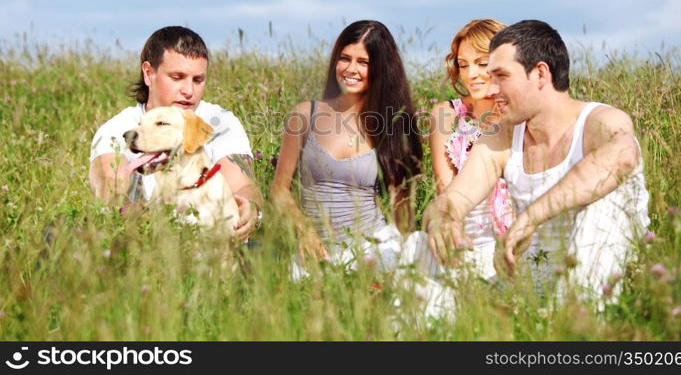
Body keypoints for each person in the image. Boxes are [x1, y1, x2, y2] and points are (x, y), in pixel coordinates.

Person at [424, 20, 649, 303]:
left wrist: (531, 217)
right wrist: (443, 219)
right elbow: (453, 197)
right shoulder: (503, 136)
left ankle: (579, 324)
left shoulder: (598, 121)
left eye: (501, 76)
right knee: (423, 246)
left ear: (540, 73)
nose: (491, 89)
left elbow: (624, 156)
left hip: (597, 272)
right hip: (528, 274)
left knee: (602, 207)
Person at [271, 20, 423, 276]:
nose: (351, 69)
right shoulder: (305, 114)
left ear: (381, 69)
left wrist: (407, 263)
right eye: (345, 58)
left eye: (363, 62)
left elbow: (401, 208)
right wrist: (304, 231)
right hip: (314, 252)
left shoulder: (393, 123)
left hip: (373, 249)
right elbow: (279, 190)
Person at [89, 26, 262, 240]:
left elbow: (243, 185)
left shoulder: (221, 122)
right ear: (148, 73)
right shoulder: (116, 131)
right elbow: (112, 194)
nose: (188, 91)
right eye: (177, 77)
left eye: (198, 80)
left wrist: (250, 208)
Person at [401, 19, 514, 283]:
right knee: (416, 248)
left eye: (482, 63)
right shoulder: (446, 113)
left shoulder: (518, 113)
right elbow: (445, 190)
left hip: (510, 239)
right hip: (462, 234)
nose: (471, 74)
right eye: (463, 65)